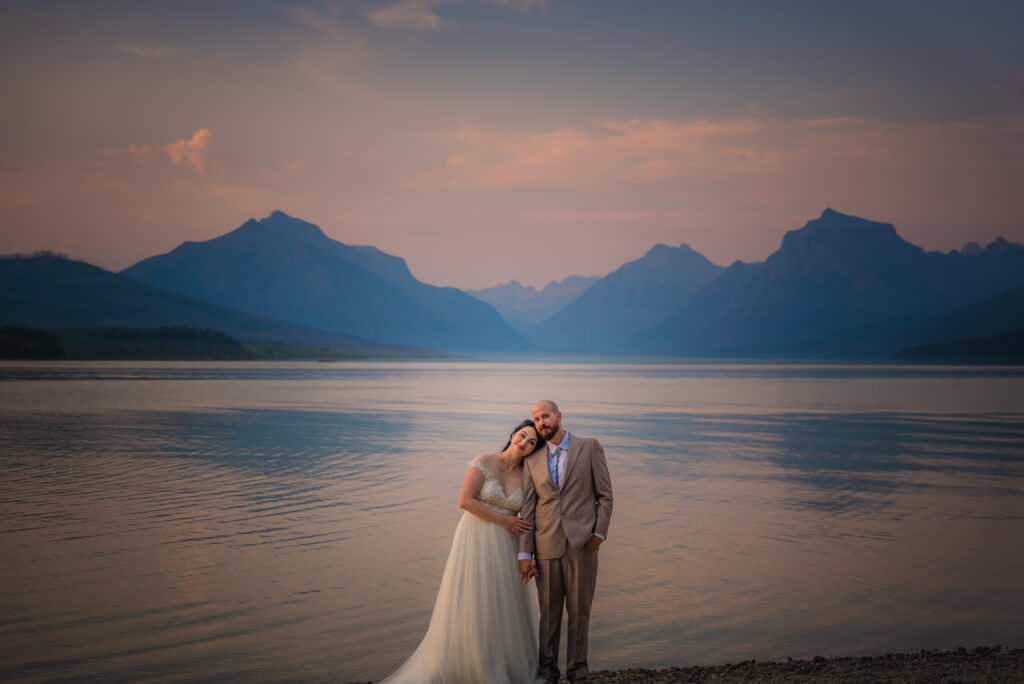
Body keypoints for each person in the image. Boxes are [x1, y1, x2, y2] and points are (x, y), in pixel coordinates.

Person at [381, 419, 545, 684]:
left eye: (531, 442)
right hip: (476, 537)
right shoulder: (484, 460)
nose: (523, 442)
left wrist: (529, 554)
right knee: (473, 597)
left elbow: (530, 517)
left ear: (533, 450)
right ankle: (466, 663)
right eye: (522, 435)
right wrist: (504, 520)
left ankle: (503, 662)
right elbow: (465, 501)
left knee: (503, 602)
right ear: (514, 433)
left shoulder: (528, 475)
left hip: (507, 544)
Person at [518, 400, 613, 684]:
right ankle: (548, 672)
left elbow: (605, 496)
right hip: (545, 546)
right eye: (536, 419)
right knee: (548, 615)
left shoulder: (590, 447)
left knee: (579, 612)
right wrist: (525, 552)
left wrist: (599, 534)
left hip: (583, 545)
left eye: (545, 416)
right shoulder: (532, 459)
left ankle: (578, 671)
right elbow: (528, 508)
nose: (541, 423)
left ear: (558, 416)